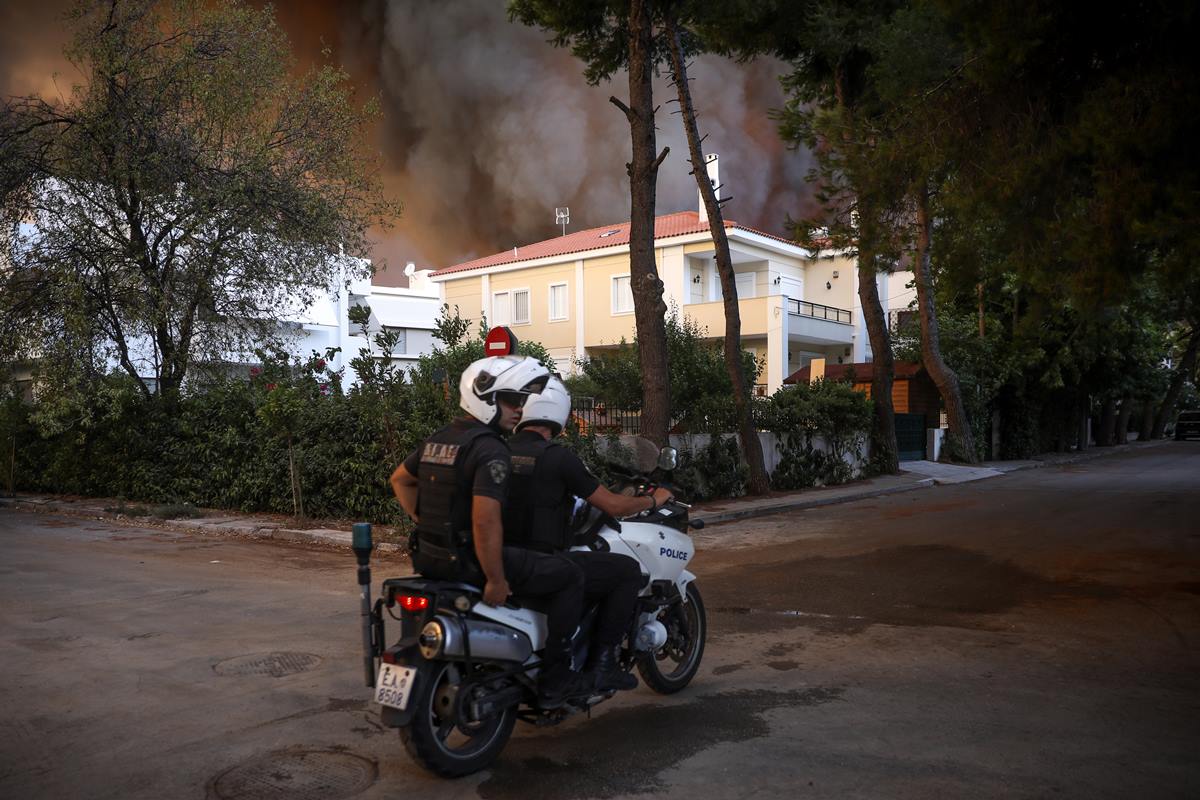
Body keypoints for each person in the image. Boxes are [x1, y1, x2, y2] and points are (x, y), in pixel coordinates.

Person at [389, 355, 588, 707]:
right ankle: (557, 676)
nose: (518, 408)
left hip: (430, 558)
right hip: (470, 561)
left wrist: (426, 522)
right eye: (511, 400)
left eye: (520, 400)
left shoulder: (441, 438)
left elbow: (401, 479)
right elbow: (485, 521)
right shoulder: (490, 448)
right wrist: (495, 579)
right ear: (485, 398)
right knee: (570, 575)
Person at [502, 376, 674, 693]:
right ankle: (603, 665)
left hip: (500, 559)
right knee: (625, 571)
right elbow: (612, 505)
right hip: (541, 562)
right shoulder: (559, 458)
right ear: (558, 415)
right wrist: (653, 499)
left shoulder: (497, 452)